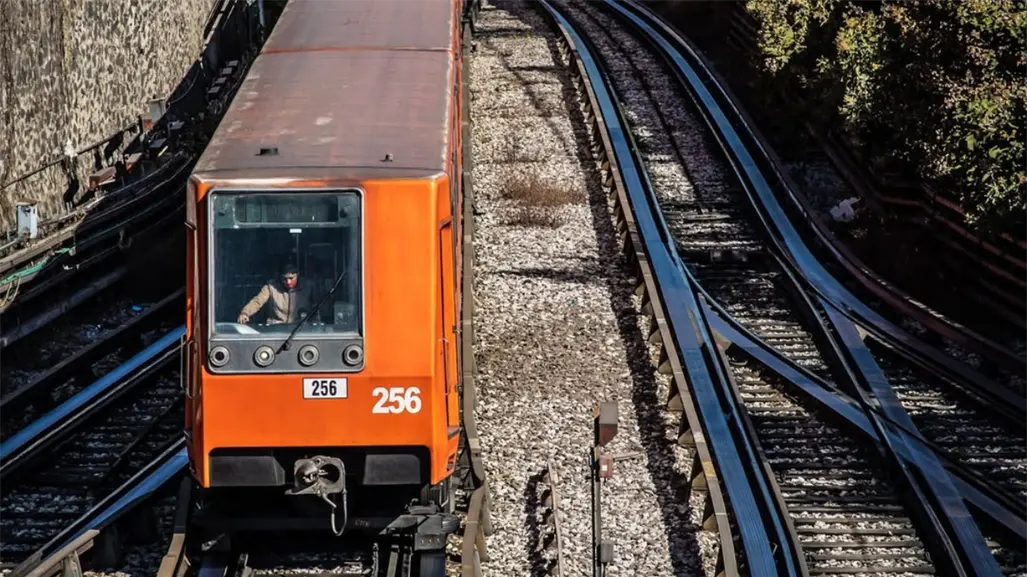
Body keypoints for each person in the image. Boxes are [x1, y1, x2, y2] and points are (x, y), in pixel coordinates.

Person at [237, 263, 314, 325]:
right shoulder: (271, 287)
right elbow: (257, 301)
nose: (288, 282)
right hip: (275, 330)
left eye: (291, 278)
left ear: (297, 275)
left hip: (300, 330)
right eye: (284, 279)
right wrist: (245, 313)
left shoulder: (308, 287)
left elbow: (318, 306)